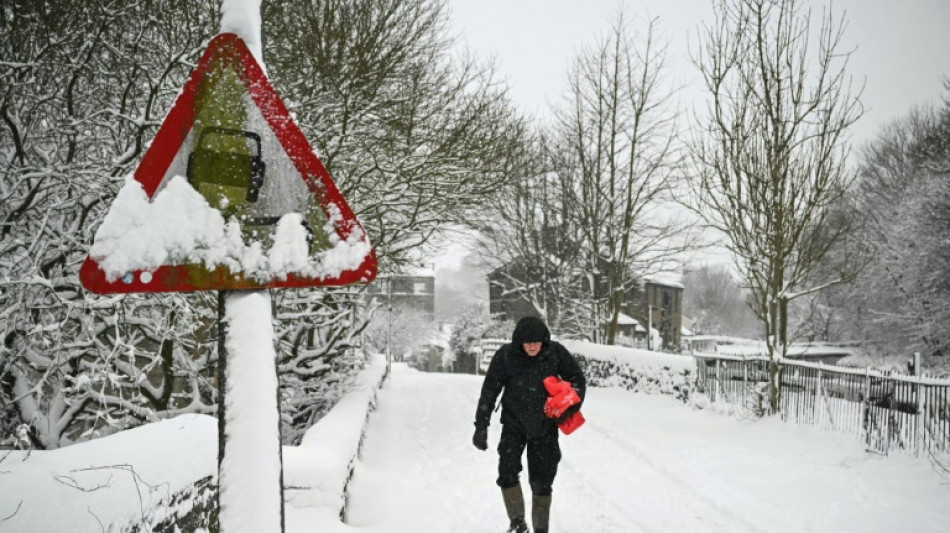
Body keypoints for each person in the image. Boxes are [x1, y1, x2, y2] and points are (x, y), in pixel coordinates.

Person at [472, 316, 586, 533]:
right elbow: (490, 390)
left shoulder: (556, 353)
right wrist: (481, 425)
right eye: (527, 342)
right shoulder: (506, 356)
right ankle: (517, 523)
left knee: (542, 482)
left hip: (545, 428)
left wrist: (568, 408)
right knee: (507, 473)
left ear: (544, 340)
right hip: (513, 425)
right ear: (519, 341)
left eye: (536, 341)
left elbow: (577, 380)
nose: (532, 346)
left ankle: (541, 529)